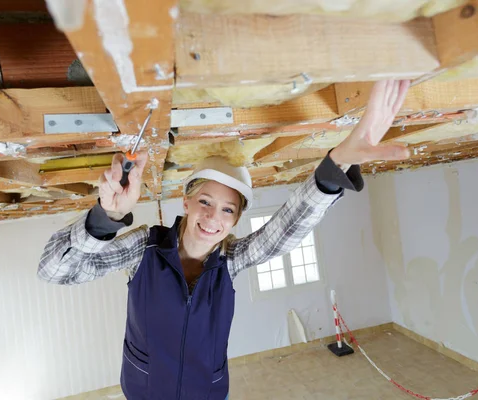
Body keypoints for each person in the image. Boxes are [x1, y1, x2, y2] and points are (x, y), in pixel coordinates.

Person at [38, 80, 411, 400]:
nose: (213, 218)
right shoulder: (143, 248)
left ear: (235, 220)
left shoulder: (231, 260)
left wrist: (336, 165)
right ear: (185, 201)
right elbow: (55, 271)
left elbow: (284, 231)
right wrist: (108, 217)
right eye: (205, 202)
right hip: (144, 392)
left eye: (228, 210)